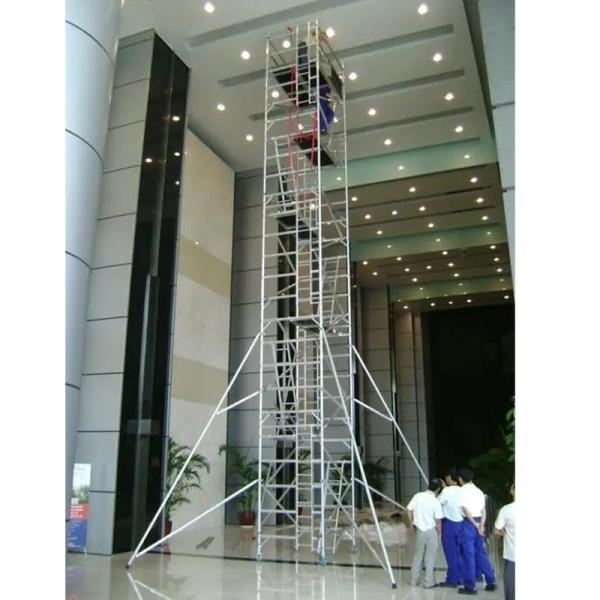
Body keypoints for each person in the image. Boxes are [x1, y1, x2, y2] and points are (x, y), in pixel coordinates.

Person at [457, 467, 497, 595]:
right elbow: (483, 510)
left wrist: (474, 524)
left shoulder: (462, 491)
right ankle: (490, 582)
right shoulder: (479, 491)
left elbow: (465, 509)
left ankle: (470, 586)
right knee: (481, 553)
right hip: (480, 522)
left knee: (469, 555)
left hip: (469, 523)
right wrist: (481, 525)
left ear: (460, 479)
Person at [407, 478, 444, 589]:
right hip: (431, 531)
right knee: (430, 557)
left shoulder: (417, 496)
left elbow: (409, 509)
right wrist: (440, 534)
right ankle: (429, 582)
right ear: (438, 489)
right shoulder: (436, 501)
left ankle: (414, 581)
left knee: (417, 555)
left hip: (420, 530)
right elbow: (438, 521)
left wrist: (411, 523)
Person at [437, 468, 464, 588]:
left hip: (449, 524)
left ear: (448, 477)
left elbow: (437, 502)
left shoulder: (446, 491)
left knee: (450, 553)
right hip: (461, 523)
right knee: (459, 552)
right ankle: (460, 577)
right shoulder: (462, 490)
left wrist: (443, 489)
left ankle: (452, 579)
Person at [494, 483, 515, 600]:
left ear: (512, 491)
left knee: (511, 590)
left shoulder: (506, 510)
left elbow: (497, 531)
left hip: (512, 556)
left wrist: (502, 532)